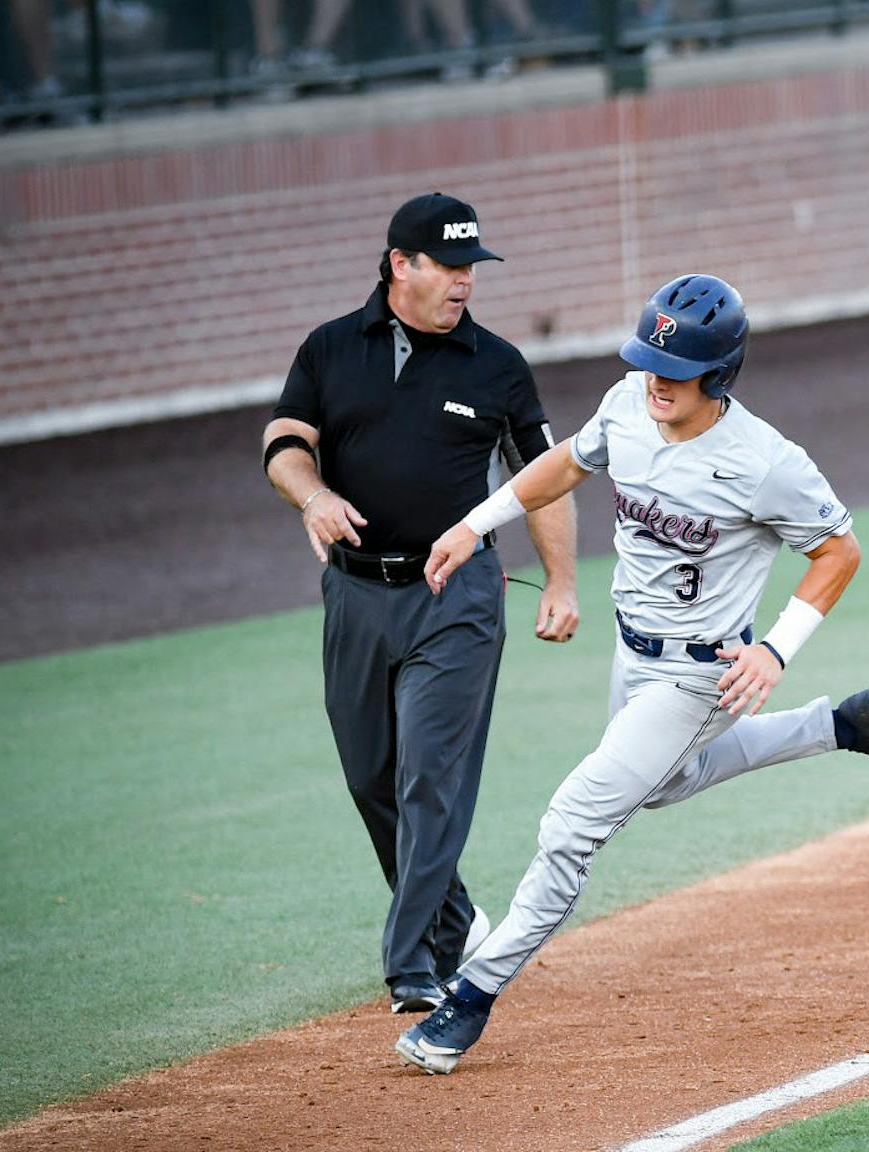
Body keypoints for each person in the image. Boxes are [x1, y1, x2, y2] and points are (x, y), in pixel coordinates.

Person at [395, 273, 869, 1075]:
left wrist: (775, 649)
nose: (654, 378)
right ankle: (842, 722)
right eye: (647, 358)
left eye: (673, 369)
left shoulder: (765, 462)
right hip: (630, 654)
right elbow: (566, 465)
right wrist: (478, 524)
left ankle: (469, 1000)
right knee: (662, 787)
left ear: (718, 375)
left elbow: (838, 549)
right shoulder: (627, 405)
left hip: (700, 678)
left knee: (572, 822)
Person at [261, 192, 579, 1015]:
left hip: (458, 596)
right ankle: (454, 919)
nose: (465, 282)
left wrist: (565, 583)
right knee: (371, 776)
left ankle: (413, 968)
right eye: (449, 265)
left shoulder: (498, 365)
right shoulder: (331, 348)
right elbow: (284, 442)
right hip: (357, 595)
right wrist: (312, 498)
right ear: (400, 264)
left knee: (428, 778)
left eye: (473, 267)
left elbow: (544, 478)